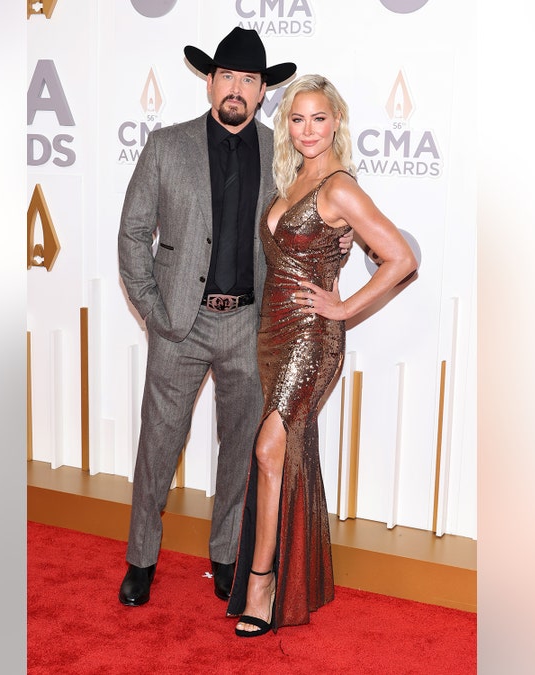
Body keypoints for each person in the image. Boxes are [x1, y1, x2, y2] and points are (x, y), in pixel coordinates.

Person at [115, 29, 351, 608]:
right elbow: (132, 235)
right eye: (227, 76)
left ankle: (226, 557)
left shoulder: (283, 154)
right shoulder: (166, 146)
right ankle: (141, 558)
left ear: (263, 90)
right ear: (210, 81)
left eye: (250, 79)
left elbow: (310, 222)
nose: (236, 89)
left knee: (242, 448)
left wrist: (337, 247)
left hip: (251, 324)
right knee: (158, 445)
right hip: (178, 325)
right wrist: (154, 313)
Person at [227, 74, 418, 637]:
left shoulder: (337, 186)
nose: (307, 129)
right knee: (283, 454)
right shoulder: (295, 179)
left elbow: (400, 257)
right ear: (287, 125)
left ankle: (262, 583)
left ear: (336, 121)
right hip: (272, 333)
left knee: (268, 450)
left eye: (318, 118)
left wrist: (343, 309)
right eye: (296, 118)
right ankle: (298, 581)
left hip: (311, 337)